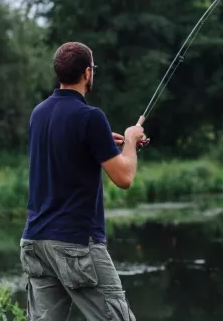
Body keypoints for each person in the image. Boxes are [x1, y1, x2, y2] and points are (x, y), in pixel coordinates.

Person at [19, 42, 144, 321]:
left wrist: (100, 143)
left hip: (35, 241)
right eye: (93, 69)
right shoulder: (91, 116)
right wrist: (131, 140)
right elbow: (124, 177)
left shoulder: (39, 113)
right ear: (87, 73)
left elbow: (66, 150)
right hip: (76, 242)